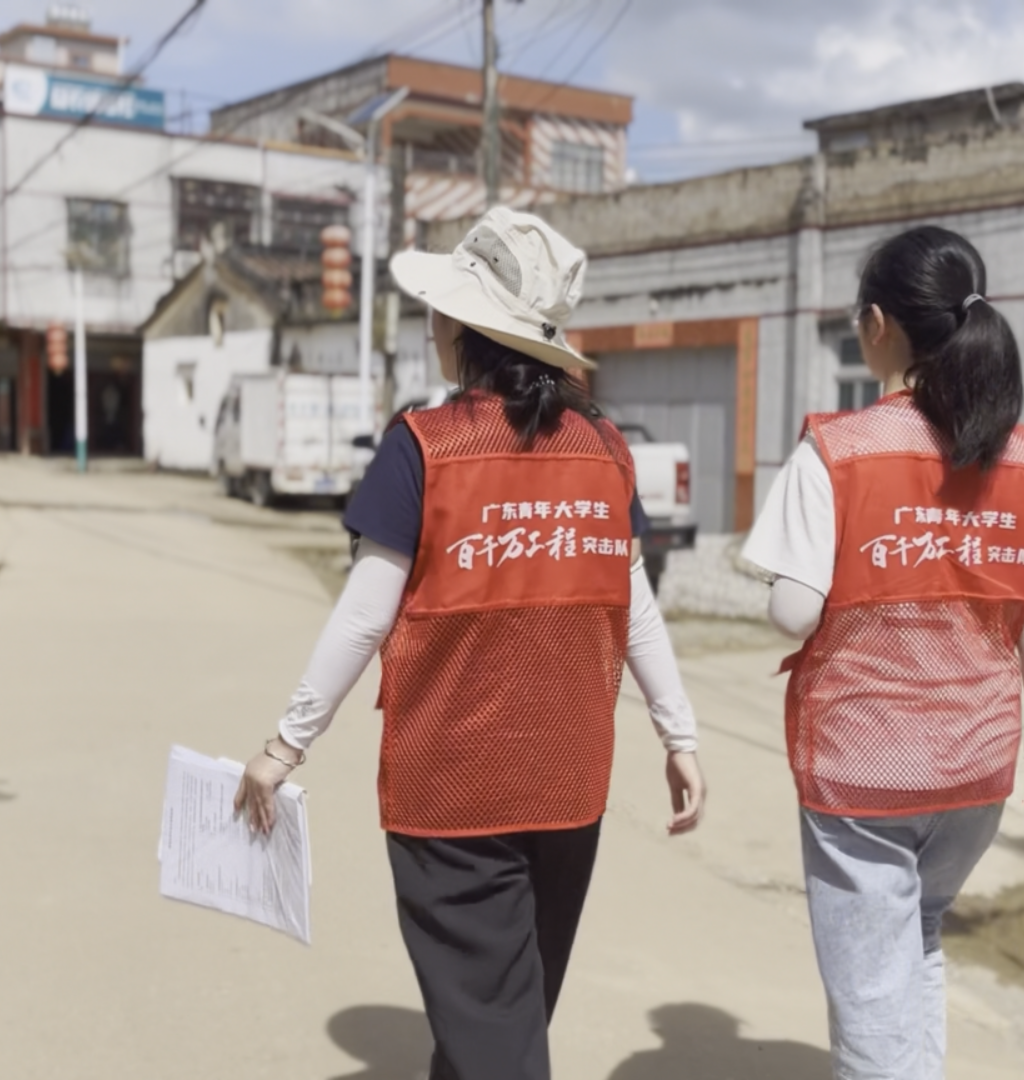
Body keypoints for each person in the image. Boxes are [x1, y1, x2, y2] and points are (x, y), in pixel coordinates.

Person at [234, 207, 708, 1080]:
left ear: (460, 326)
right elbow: (633, 603)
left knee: (496, 1034)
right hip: (570, 787)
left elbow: (364, 617)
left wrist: (283, 745)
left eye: (441, 309)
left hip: (451, 791)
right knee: (501, 1016)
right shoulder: (604, 450)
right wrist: (678, 734)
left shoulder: (424, 449)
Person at [740, 225, 1024, 1080]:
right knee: (919, 938)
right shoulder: (1023, 457)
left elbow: (792, 613)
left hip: (862, 775)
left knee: (868, 997)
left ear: (878, 324)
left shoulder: (836, 451)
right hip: (977, 770)